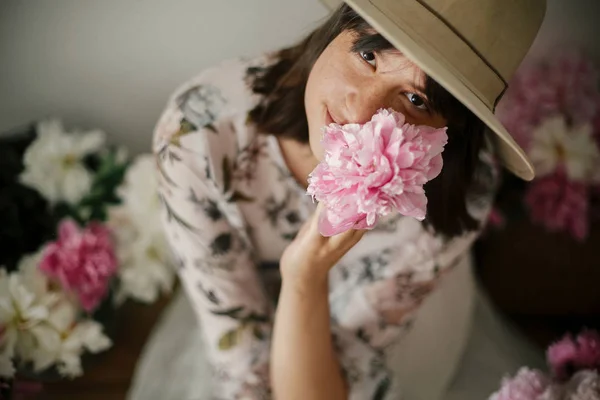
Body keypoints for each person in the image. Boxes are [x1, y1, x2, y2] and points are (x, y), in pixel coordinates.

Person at [150, 1, 546, 399]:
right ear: (339, 27)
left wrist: (304, 276)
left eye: (416, 100)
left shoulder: (456, 197)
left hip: (395, 322)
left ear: (453, 128)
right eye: (368, 54)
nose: (362, 110)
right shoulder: (197, 136)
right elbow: (245, 376)